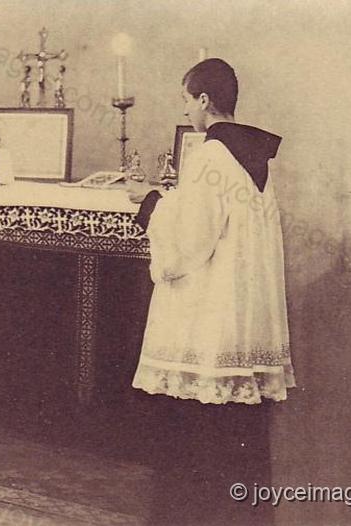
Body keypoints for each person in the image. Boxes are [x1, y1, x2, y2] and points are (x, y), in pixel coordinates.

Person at [127, 58, 295, 524]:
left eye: (186, 100)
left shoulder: (210, 156)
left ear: (204, 99)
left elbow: (188, 243)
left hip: (209, 327)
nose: (185, 110)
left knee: (197, 441)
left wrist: (149, 203)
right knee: (237, 441)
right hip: (242, 321)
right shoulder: (255, 157)